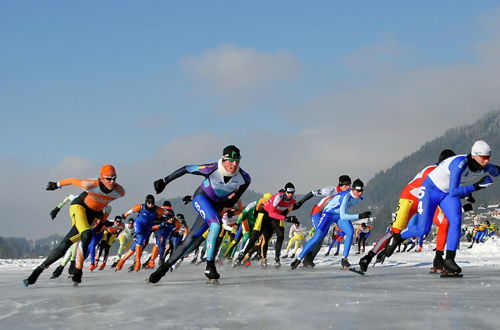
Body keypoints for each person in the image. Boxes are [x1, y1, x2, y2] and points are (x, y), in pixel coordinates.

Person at [385, 140, 499, 275]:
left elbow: (497, 171)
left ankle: (449, 260)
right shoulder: (459, 164)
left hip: (446, 193)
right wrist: (477, 186)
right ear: (474, 155)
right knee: (423, 229)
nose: (486, 161)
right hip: (431, 190)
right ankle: (398, 237)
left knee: (456, 221)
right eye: (484, 158)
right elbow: (454, 192)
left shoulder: (485, 166)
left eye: (488, 157)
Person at [149, 145, 251, 284]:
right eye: (231, 161)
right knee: (216, 225)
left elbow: (234, 198)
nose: (234, 164)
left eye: (237, 161)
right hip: (201, 198)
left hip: (215, 206)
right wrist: (164, 181)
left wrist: (229, 207)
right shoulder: (212, 168)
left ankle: (163, 269)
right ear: (224, 159)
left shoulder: (244, 178)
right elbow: (187, 168)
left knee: (193, 241)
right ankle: (210, 265)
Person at [24, 164, 125, 286]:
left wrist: (102, 222)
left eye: (114, 178)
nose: (112, 181)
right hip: (79, 207)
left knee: (65, 245)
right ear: (101, 178)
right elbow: (72, 180)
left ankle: (37, 271)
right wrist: (56, 185)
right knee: (86, 234)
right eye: (108, 178)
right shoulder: (91, 184)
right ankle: (77, 270)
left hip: (91, 216)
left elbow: (107, 209)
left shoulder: (119, 192)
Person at [358, 149, 456, 273]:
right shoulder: (432, 171)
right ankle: (368, 257)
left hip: (426, 200)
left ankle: (438, 258)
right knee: (394, 231)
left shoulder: (447, 174)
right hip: (410, 199)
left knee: (444, 223)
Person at [291, 179, 371, 270]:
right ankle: (299, 259)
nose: (360, 193)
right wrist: (360, 215)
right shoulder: (341, 194)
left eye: (361, 191)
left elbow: (342, 214)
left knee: (350, 231)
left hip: (338, 215)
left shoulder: (359, 197)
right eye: (358, 191)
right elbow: (344, 216)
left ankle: (344, 259)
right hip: (326, 214)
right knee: (318, 236)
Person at [234, 183, 299, 268]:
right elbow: (270, 212)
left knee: (278, 236)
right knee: (254, 237)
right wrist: (286, 218)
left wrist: (290, 216)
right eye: (288, 192)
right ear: (285, 192)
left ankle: (275, 258)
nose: (290, 194)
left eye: (292, 193)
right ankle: (241, 256)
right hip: (265, 215)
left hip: (275, 217)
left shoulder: (293, 200)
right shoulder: (278, 197)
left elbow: (288, 209)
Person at [295, 175, 352, 267]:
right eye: (345, 185)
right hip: (318, 212)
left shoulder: (349, 193)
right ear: (340, 184)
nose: (348, 187)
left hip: (332, 214)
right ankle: (307, 258)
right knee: (319, 235)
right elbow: (313, 192)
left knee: (323, 237)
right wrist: (300, 202)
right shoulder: (331, 190)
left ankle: (309, 259)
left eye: (349, 184)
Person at [115, 195, 166, 271]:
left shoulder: (157, 209)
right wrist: (124, 215)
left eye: (152, 203)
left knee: (135, 246)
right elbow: (131, 211)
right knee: (140, 240)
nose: (150, 204)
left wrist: (157, 218)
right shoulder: (140, 207)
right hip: (139, 224)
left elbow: (162, 213)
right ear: (146, 202)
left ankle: (122, 261)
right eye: (149, 203)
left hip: (148, 227)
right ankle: (138, 262)